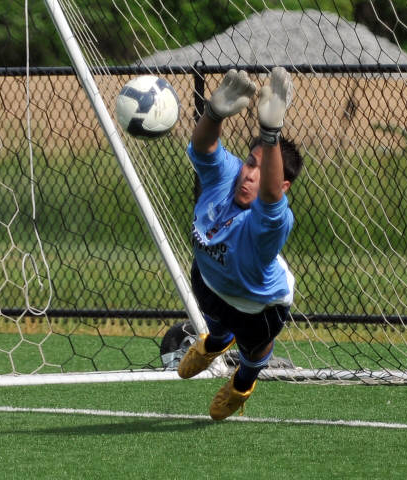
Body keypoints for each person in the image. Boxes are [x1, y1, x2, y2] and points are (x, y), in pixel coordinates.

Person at [178, 67, 303, 421]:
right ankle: (215, 343)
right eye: (250, 163)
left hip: (257, 306)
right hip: (209, 278)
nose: (249, 174)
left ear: (283, 185)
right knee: (215, 320)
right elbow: (203, 148)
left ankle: (243, 383)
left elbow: (270, 196)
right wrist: (213, 114)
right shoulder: (228, 177)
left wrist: (270, 134)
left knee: (252, 351)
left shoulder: (272, 219)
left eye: (261, 171)